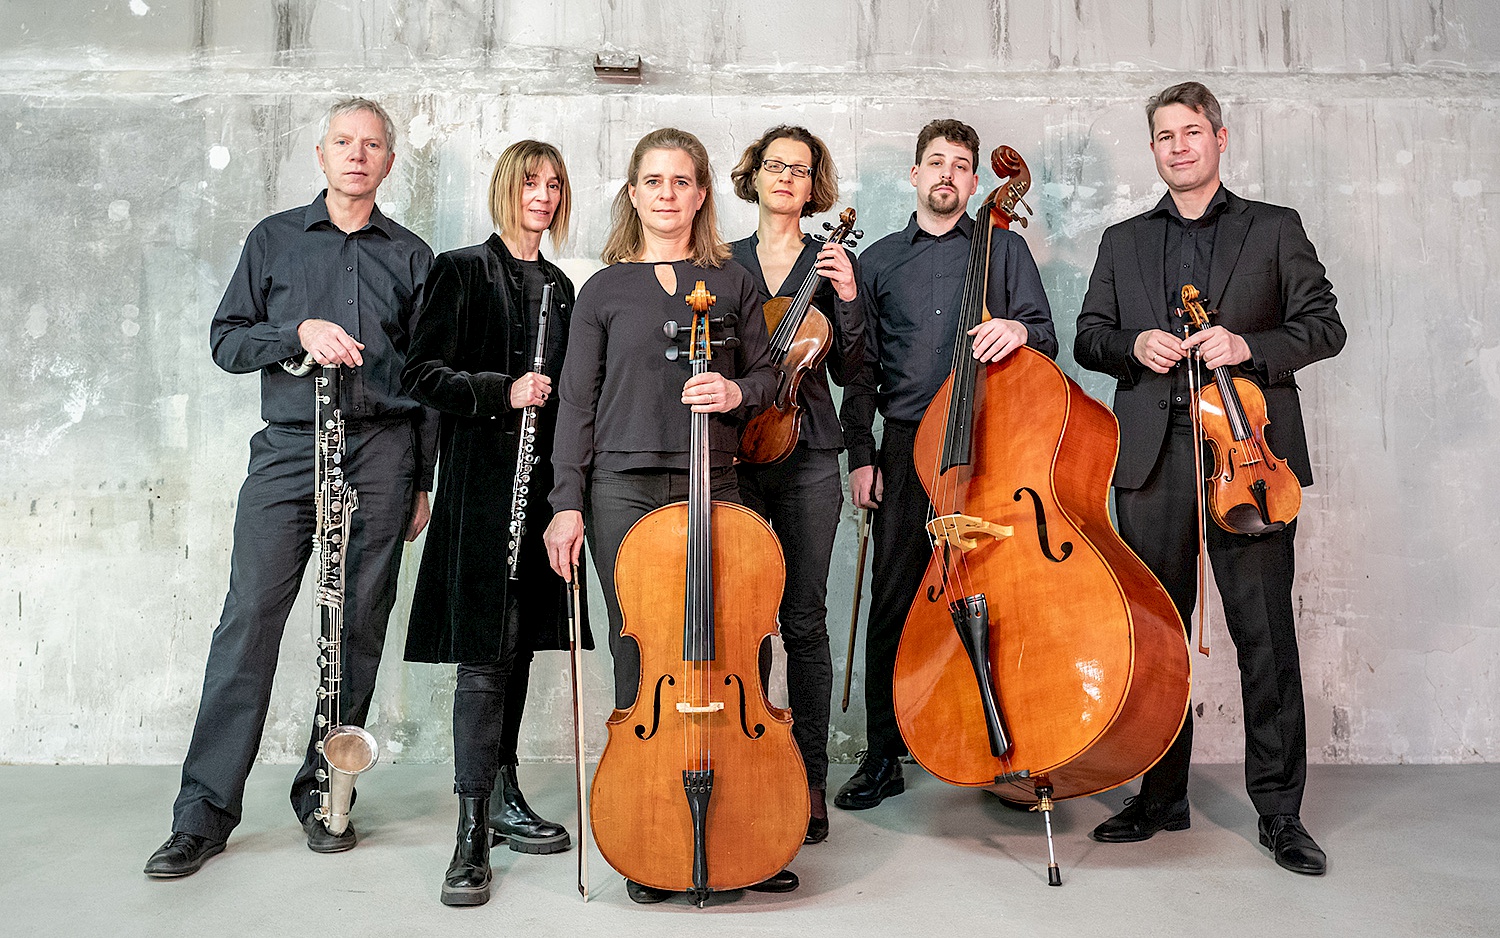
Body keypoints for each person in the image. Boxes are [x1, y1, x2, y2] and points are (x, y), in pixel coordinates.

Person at [144, 97, 435, 878]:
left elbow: (427, 379)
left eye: (372, 144)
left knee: (357, 632)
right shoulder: (272, 239)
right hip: (287, 452)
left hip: (381, 453)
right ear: (320, 153)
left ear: (389, 161)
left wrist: (422, 482)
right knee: (248, 626)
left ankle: (326, 794)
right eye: (344, 141)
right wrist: (295, 334)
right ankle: (202, 814)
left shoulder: (413, 255)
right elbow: (226, 341)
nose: (357, 154)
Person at [1074, 81, 1345, 875]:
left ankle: (1281, 812)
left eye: (1193, 132)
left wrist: (1247, 347)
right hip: (1153, 463)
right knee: (1157, 639)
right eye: (1165, 136)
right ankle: (1160, 798)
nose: (1180, 147)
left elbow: (1323, 326)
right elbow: (1090, 337)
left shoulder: (1274, 228)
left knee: (1264, 635)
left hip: (1251, 466)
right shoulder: (1122, 240)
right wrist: (1134, 347)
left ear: (1220, 140)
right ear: (1153, 149)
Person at [541, 128, 789, 903]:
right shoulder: (605, 289)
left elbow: (771, 374)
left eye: (683, 181)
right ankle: (648, 829)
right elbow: (577, 402)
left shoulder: (733, 281)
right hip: (621, 485)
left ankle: (754, 812)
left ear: (702, 193)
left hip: (713, 480)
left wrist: (736, 393)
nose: (668, 194)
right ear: (634, 193)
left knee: (744, 641)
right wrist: (565, 503)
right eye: (654, 181)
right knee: (639, 651)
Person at [837, 118, 1057, 812]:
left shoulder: (1005, 249)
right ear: (914, 174)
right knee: (895, 599)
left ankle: (1003, 749)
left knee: (1001, 598)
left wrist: (1018, 328)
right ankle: (883, 756)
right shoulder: (876, 262)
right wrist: (862, 455)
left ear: (974, 180)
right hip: (905, 447)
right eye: (936, 162)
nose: (948, 175)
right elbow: (860, 371)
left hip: (988, 446)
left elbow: (1045, 337)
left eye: (962, 165)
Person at [401, 140, 593, 906]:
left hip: (541, 494)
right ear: (505, 189)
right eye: (530, 182)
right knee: (484, 655)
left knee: (515, 649)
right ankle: (470, 832)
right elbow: (420, 375)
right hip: (482, 493)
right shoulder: (458, 269)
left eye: (555, 184)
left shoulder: (561, 286)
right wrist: (500, 390)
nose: (542, 195)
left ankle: (505, 797)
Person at [726, 125, 867, 845]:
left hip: (809, 455)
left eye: (801, 169)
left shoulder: (833, 258)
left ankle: (810, 775)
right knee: (745, 618)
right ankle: (750, 757)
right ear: (753, 175)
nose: (786, 177)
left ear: (815, 187)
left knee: (804, 619)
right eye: (775, 165)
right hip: (737, 458)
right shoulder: (721, 259)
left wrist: (846, 300)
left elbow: (852, 372)